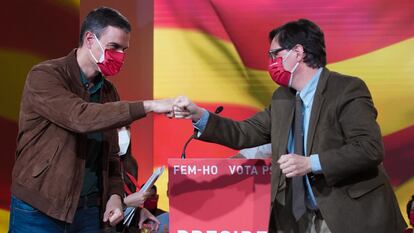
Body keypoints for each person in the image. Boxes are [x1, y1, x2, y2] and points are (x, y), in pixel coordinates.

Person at [172, 19, 406, 233]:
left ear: (298, 52)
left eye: (275, 54)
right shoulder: (282, 98)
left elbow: (369, 148)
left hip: (351, 216)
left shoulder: (346, 89)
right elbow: (245, 133)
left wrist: (310, 163)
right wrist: (200, 114)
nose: (271, 62)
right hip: (301, 220)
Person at [9, 7, 174, 233]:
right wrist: (149, 105)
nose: (120, 56)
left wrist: (115, 196)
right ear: (89, 39)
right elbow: (80, 117)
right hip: (40, 209)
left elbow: (112, 156)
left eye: (124, 49)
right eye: (114, 47)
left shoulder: (108, 92)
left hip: (88, 211)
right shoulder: (45, 75)